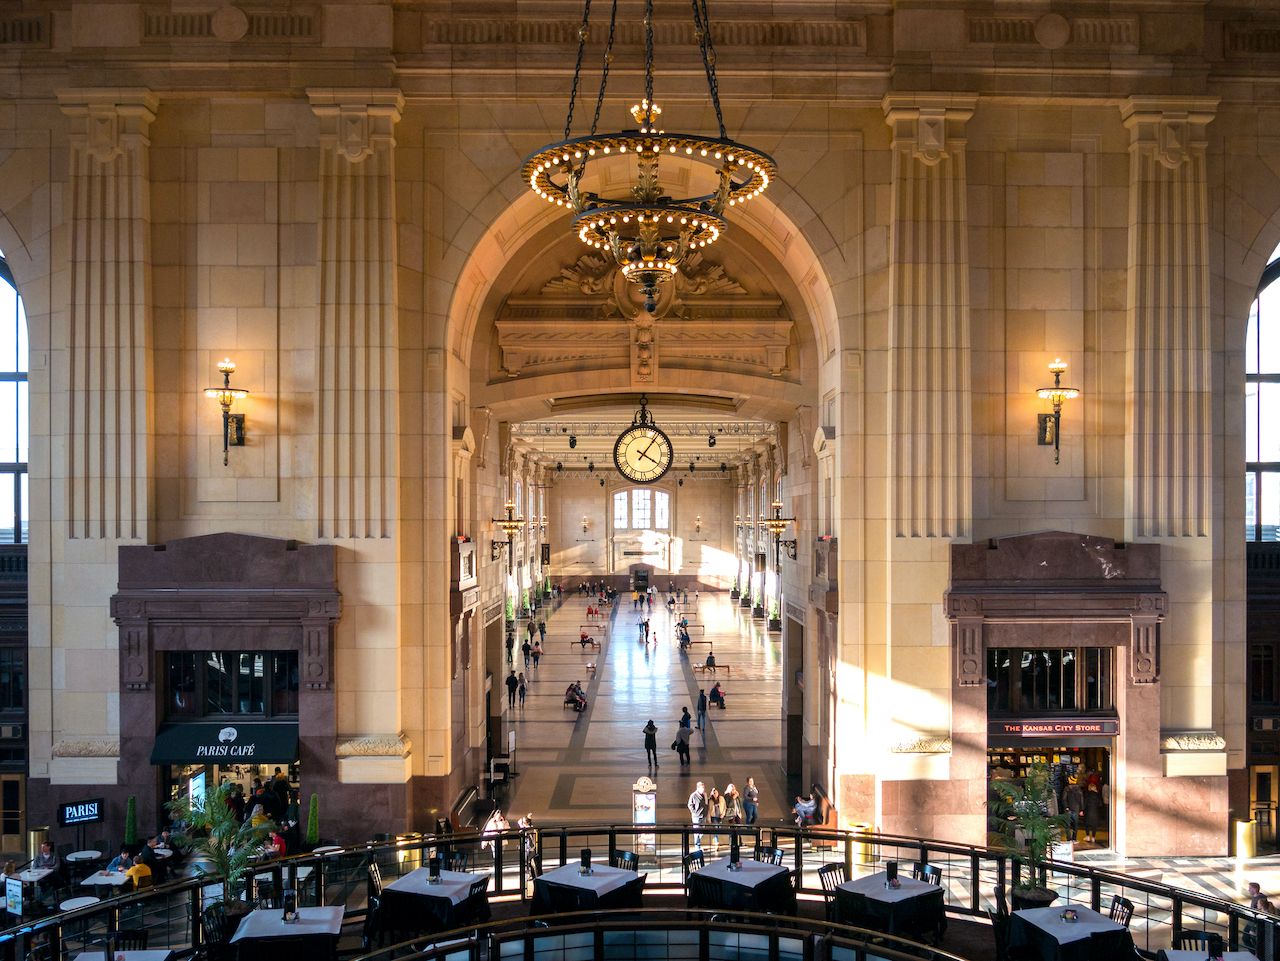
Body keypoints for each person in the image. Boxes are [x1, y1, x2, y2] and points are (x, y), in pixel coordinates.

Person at [1062, 776, 1084, 842]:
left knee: (1067, 825)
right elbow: (1081, 800)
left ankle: (1069, 839)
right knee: (1075, 825)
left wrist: (1066, 807)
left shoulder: (1066, 789)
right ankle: (1074, 838)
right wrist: (1081, 809)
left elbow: (1064, 799)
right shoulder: (1079, 789)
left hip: (1068, 809)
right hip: (1076, 809)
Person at [687, 782, 708, 849]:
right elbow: (690, 805)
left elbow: (706, 803)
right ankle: (697, 846)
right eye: (702, 788)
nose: (703, 789)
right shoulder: (693, 795)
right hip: (697, 817)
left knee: (702, 831)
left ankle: (698, 843)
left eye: (704, 788)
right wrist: (694, 812)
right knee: (697, 832)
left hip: (703, 815)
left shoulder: (705, 794)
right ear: (698, 788)